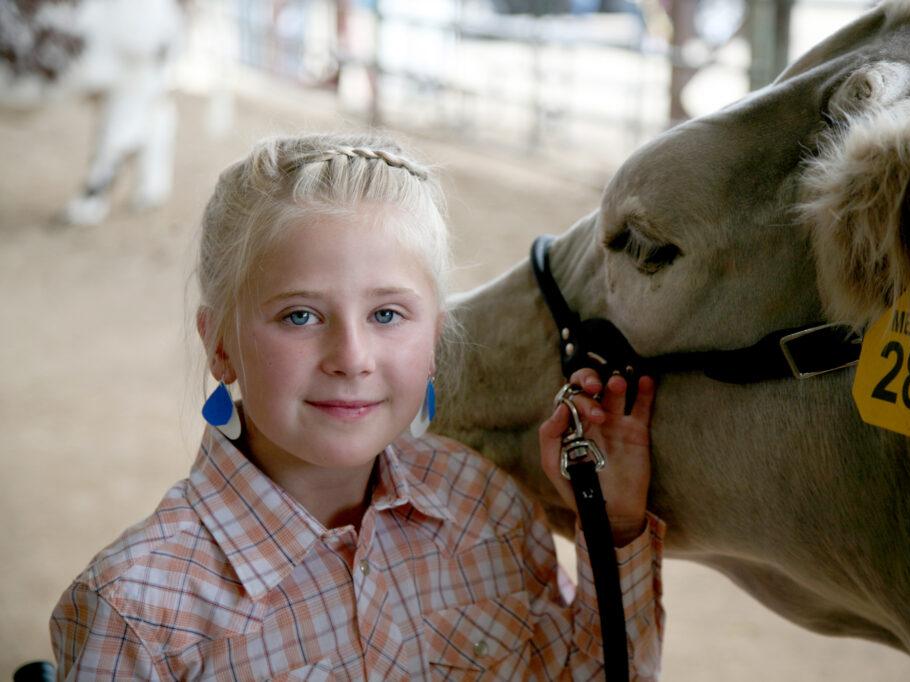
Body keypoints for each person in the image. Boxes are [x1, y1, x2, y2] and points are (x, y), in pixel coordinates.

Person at [49, 132, 664, 679]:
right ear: (220, 345)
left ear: (433, 341)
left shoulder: (486, 506)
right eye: (300, 315)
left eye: (387, 314)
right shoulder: (135, 613)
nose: (351, 357)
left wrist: (613, 527)